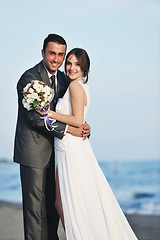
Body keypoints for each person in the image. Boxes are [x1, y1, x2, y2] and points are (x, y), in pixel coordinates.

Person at [38, 48, 138, 240]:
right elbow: (80, 120)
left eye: (77, 64)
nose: (71, 67)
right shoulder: (80, 86)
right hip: (68, 147)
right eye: (69, 63)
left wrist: (49, 114)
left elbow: (77, 120)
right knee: (66, 203)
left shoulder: (75, 86)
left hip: (71, 149)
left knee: (68, 204)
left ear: (85, 67)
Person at [13, 34, 90, 240]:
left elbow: (73, 113)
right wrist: (68, 130)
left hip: (59, 155)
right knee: (35, 212)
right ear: (43, 53)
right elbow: (34, 119)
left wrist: (83, 127)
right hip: (33, 153)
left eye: (61, 55)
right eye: (52, 53)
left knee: (53, 211)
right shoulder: (29, 79)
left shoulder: (66, 79)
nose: (56, 59)